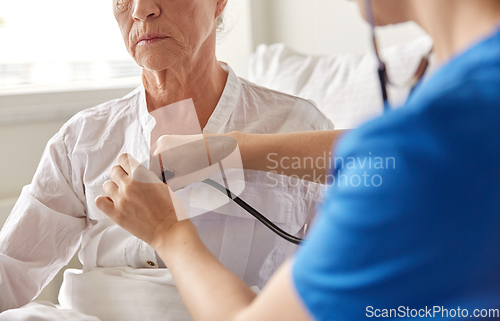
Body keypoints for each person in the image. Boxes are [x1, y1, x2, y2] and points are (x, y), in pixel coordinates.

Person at [96, 0, 500, 320]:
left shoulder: (424, 147)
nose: (141, 9)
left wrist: (168, 231)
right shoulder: (454, 124)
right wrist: (239, 148)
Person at [0, 0, 334, 320]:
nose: (141, 8)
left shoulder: (297, 127)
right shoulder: (82, 139)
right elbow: (10, 270)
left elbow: (333, 289)